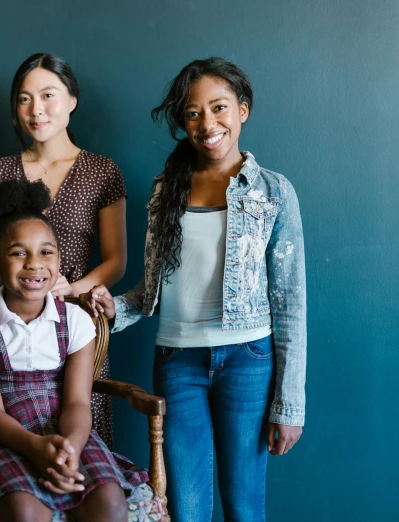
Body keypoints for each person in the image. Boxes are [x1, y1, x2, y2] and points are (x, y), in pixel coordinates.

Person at [82, 57, 306, 522]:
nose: (207, 124)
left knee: (243, 505)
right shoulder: (166, 189)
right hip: (178, 362)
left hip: (248, 360)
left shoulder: (273, 191)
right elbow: (151, 293)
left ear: (243, 110)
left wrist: (290, 404)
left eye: (219, 107)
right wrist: (113, 307)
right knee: (186, 509)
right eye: (193, 113)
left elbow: (290, 304)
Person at [0, 179, 147, 522]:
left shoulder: (76, 322)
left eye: (46, 252)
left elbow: (78, 403)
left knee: (110, 505)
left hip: (69, 428)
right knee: (25, 512)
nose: (35, 264)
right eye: (18, 253)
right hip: (4, 435)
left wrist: (70, 448)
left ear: (58, 259)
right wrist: (35, 448)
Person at [0, 52, 127, 448]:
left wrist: (69, 290)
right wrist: (25, 289)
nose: (36, 110)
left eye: (48, 95)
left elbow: (116, 260)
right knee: (11, 434)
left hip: (75, 323)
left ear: (72, 100)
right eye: (24, 98)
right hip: (10, 323)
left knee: (81, 434)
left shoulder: (102, 171)